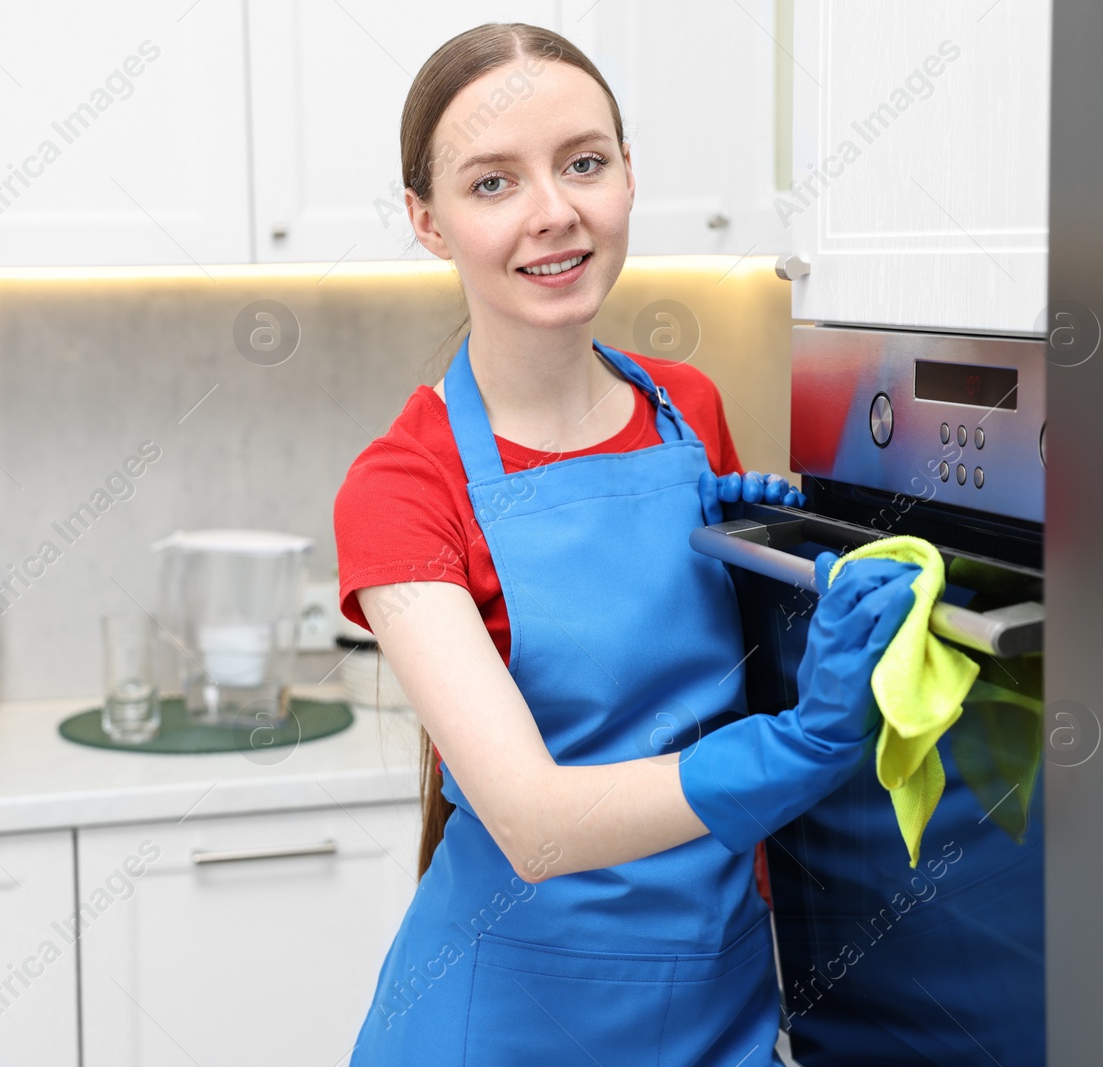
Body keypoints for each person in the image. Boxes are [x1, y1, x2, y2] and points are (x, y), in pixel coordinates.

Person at [332, 22, 918, 1065]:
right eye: (491, 183)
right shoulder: (402, 485)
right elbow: (533, 822)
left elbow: (737, 690)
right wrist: (805, 743)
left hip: (721, 998)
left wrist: (794, 581)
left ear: (628, 175)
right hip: (508, 1020)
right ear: (427, 221)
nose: (553, 212)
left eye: (583, 163)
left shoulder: (688, 413)